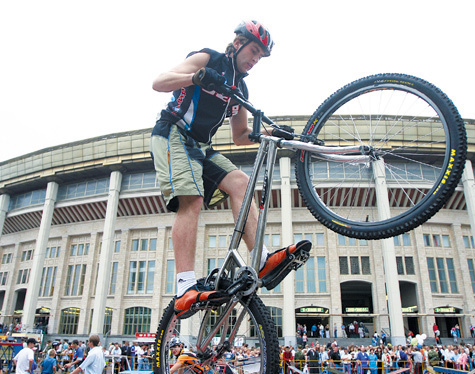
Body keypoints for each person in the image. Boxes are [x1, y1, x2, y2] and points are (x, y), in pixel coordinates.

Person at [151, 20, 311, 318]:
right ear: (238, 43)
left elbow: (240, 136)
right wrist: (198, 76)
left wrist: (268, 135)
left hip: (200, 146)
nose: (255, 59)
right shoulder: (209, 58)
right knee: (192, 199)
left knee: (241, 182)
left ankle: (261, 259)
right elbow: (159, 82)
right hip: (173, 132)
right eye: (253, 51)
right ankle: (185, 286)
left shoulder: (241, 89)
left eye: (260, 56)